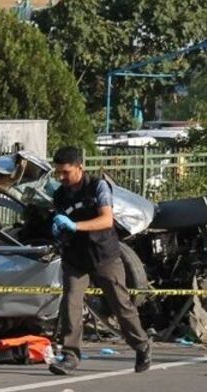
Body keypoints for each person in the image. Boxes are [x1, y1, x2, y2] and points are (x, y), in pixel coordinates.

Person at [48, 146, 151, 375]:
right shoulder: (59, 195)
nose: (61, 177)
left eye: (66, 172)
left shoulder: (98, 187)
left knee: (120, 305)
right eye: (58, 173)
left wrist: (76, 226)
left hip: (104, 255)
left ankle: (141, 345)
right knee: (71, 304)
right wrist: (57, 229)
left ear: (80, 167)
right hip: (75, 258)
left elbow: (106, 220)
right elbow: (58, 219)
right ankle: (70, 356)